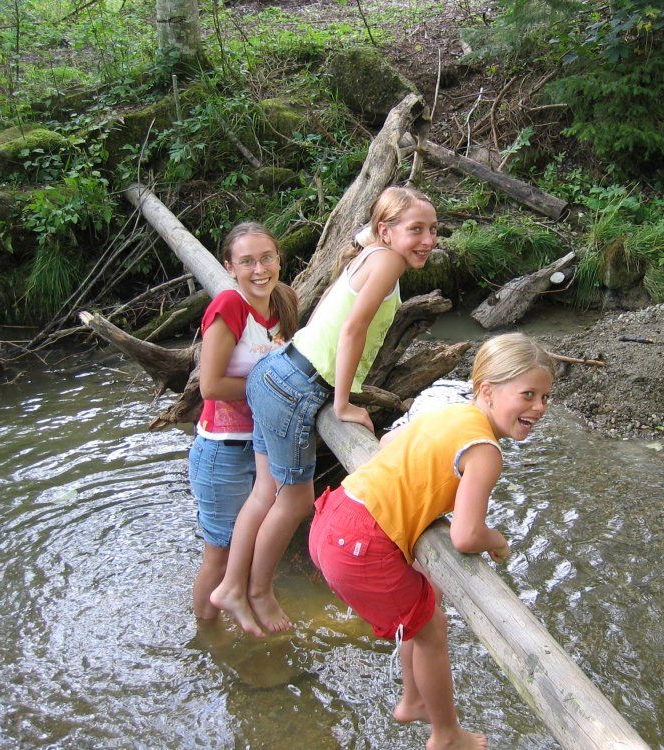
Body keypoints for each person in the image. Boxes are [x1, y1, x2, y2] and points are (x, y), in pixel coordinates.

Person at [309, 333, 555, 750]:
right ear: (487, 391)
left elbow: (388, 443)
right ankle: (446, 734)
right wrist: (496, 541)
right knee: (433, 629)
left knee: (425, 600)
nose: (538, 407)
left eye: (546, 397)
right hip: (361, 544)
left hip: (334, 517)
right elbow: (465, 535)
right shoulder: (485, 451)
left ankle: (413, 699)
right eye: (527, 394)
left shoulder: (450, 413)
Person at [211, 185, 438, 637]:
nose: (428, 240)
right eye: (416, 229)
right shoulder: (388, 261)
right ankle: (257, 591)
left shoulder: (372, 252)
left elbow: (337, 312)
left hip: (276, 372)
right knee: (294, 501)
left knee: (264, 494)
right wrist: (343, 402)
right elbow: (353, 328)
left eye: (433, 229)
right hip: (300, 386)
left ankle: (232, 586)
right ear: (386, 230)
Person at [189, 222, 298, 621]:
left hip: (263, 451)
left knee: (247, 551)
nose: (259, 269)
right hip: (223, 452)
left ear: (278, 259)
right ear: (230, 267)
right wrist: (274, 388)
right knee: (219, 558)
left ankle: (242, 621)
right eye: (247, 261)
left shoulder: (283, 303)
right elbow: (211, 386)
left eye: (266, 258)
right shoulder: (229, 306)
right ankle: (208, 638)